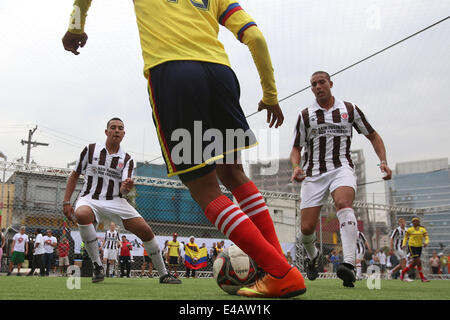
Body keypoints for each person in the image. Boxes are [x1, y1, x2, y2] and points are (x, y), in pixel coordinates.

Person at [62, 0, 304, 299]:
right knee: (234, 174)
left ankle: (280, 272)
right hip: (221, 75)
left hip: (174, 75)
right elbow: (256, 38)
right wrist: (270, 94)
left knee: (205, 189)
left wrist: (76, 25)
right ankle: (276, 266)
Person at [290, 70, 392, 287]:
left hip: (341, 168)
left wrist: (382, 161)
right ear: (311, 89)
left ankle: (348, 264)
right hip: (313, 173)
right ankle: (314, 256)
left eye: (321, 82)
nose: (318, 86)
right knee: (307, 229)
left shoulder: (349, 109)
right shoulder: (305, 115)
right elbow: (296, 148)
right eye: (314, 84)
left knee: (344, 203)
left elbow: (373, 135)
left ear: (330, 84)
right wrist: (296, 166)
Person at [62, 118, 180, 284]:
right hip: (90, 198)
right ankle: (97, 265)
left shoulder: (127, 159)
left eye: (120, 128)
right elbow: (74, 174)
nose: (117, 130)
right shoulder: (90, 150)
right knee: (81, 214)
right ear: (106, 132)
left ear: (123, 134)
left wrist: (127, 186)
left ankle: (164, 274)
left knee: (146, 231)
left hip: (115, 201)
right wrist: (66, 201)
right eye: (113, 127)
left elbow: (123, 190)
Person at [400, 217, 430, 282]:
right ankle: (422, 278)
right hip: (412, 246)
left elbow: (427, 237)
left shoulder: (423, 230)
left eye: (417, 221)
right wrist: (404, 244)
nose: (415, 222)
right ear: (412, 223)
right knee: (419, 262)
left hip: (419, 247)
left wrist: (426, 242)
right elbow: (405, 237)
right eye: (414, 221)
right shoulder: (409, 230)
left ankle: (403, 272)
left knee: (414, 263)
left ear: (419, 222)